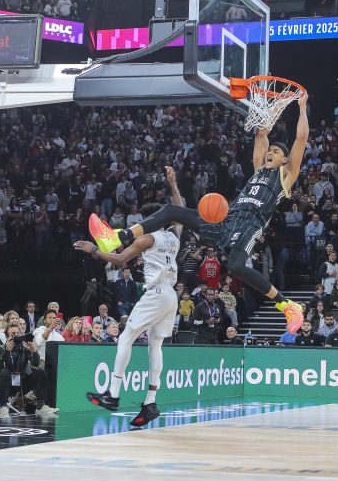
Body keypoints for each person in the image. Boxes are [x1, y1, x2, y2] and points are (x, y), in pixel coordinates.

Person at [98, 91, 310, 334]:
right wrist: (269, 108)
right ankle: (117, 237)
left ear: (285, 160)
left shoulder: (285, 176)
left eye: (276, 151)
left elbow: (301, 138)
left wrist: (301, 108)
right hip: (225, 221)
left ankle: (287, 305)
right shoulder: (257, 169)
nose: (270, 152)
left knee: (236, 267)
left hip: (250, 226)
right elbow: (261, 132)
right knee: (171, 210)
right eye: (269, 150)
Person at [76, 166, 184, 428]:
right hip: (171, 295)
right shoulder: (174, 236)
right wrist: (173, 183)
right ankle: (150, 402)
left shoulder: (147, 238)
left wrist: (93, 250)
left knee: (125, 337)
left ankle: (112, 394)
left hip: (156, 292)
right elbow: (179, 213)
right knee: (155, 345)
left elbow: (118, 259)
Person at [0, 324, 57, 415]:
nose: (16, 336)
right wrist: (8, 352)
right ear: (7, 336)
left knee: (40, 372)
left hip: (22, 384)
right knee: (5, 372)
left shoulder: (24, 348)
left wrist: (34, 352)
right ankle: (3, 406)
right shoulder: (1, 349)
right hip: (6, 384)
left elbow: (35, 364)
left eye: (18, 333)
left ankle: (40, 406)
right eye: (13, 334)